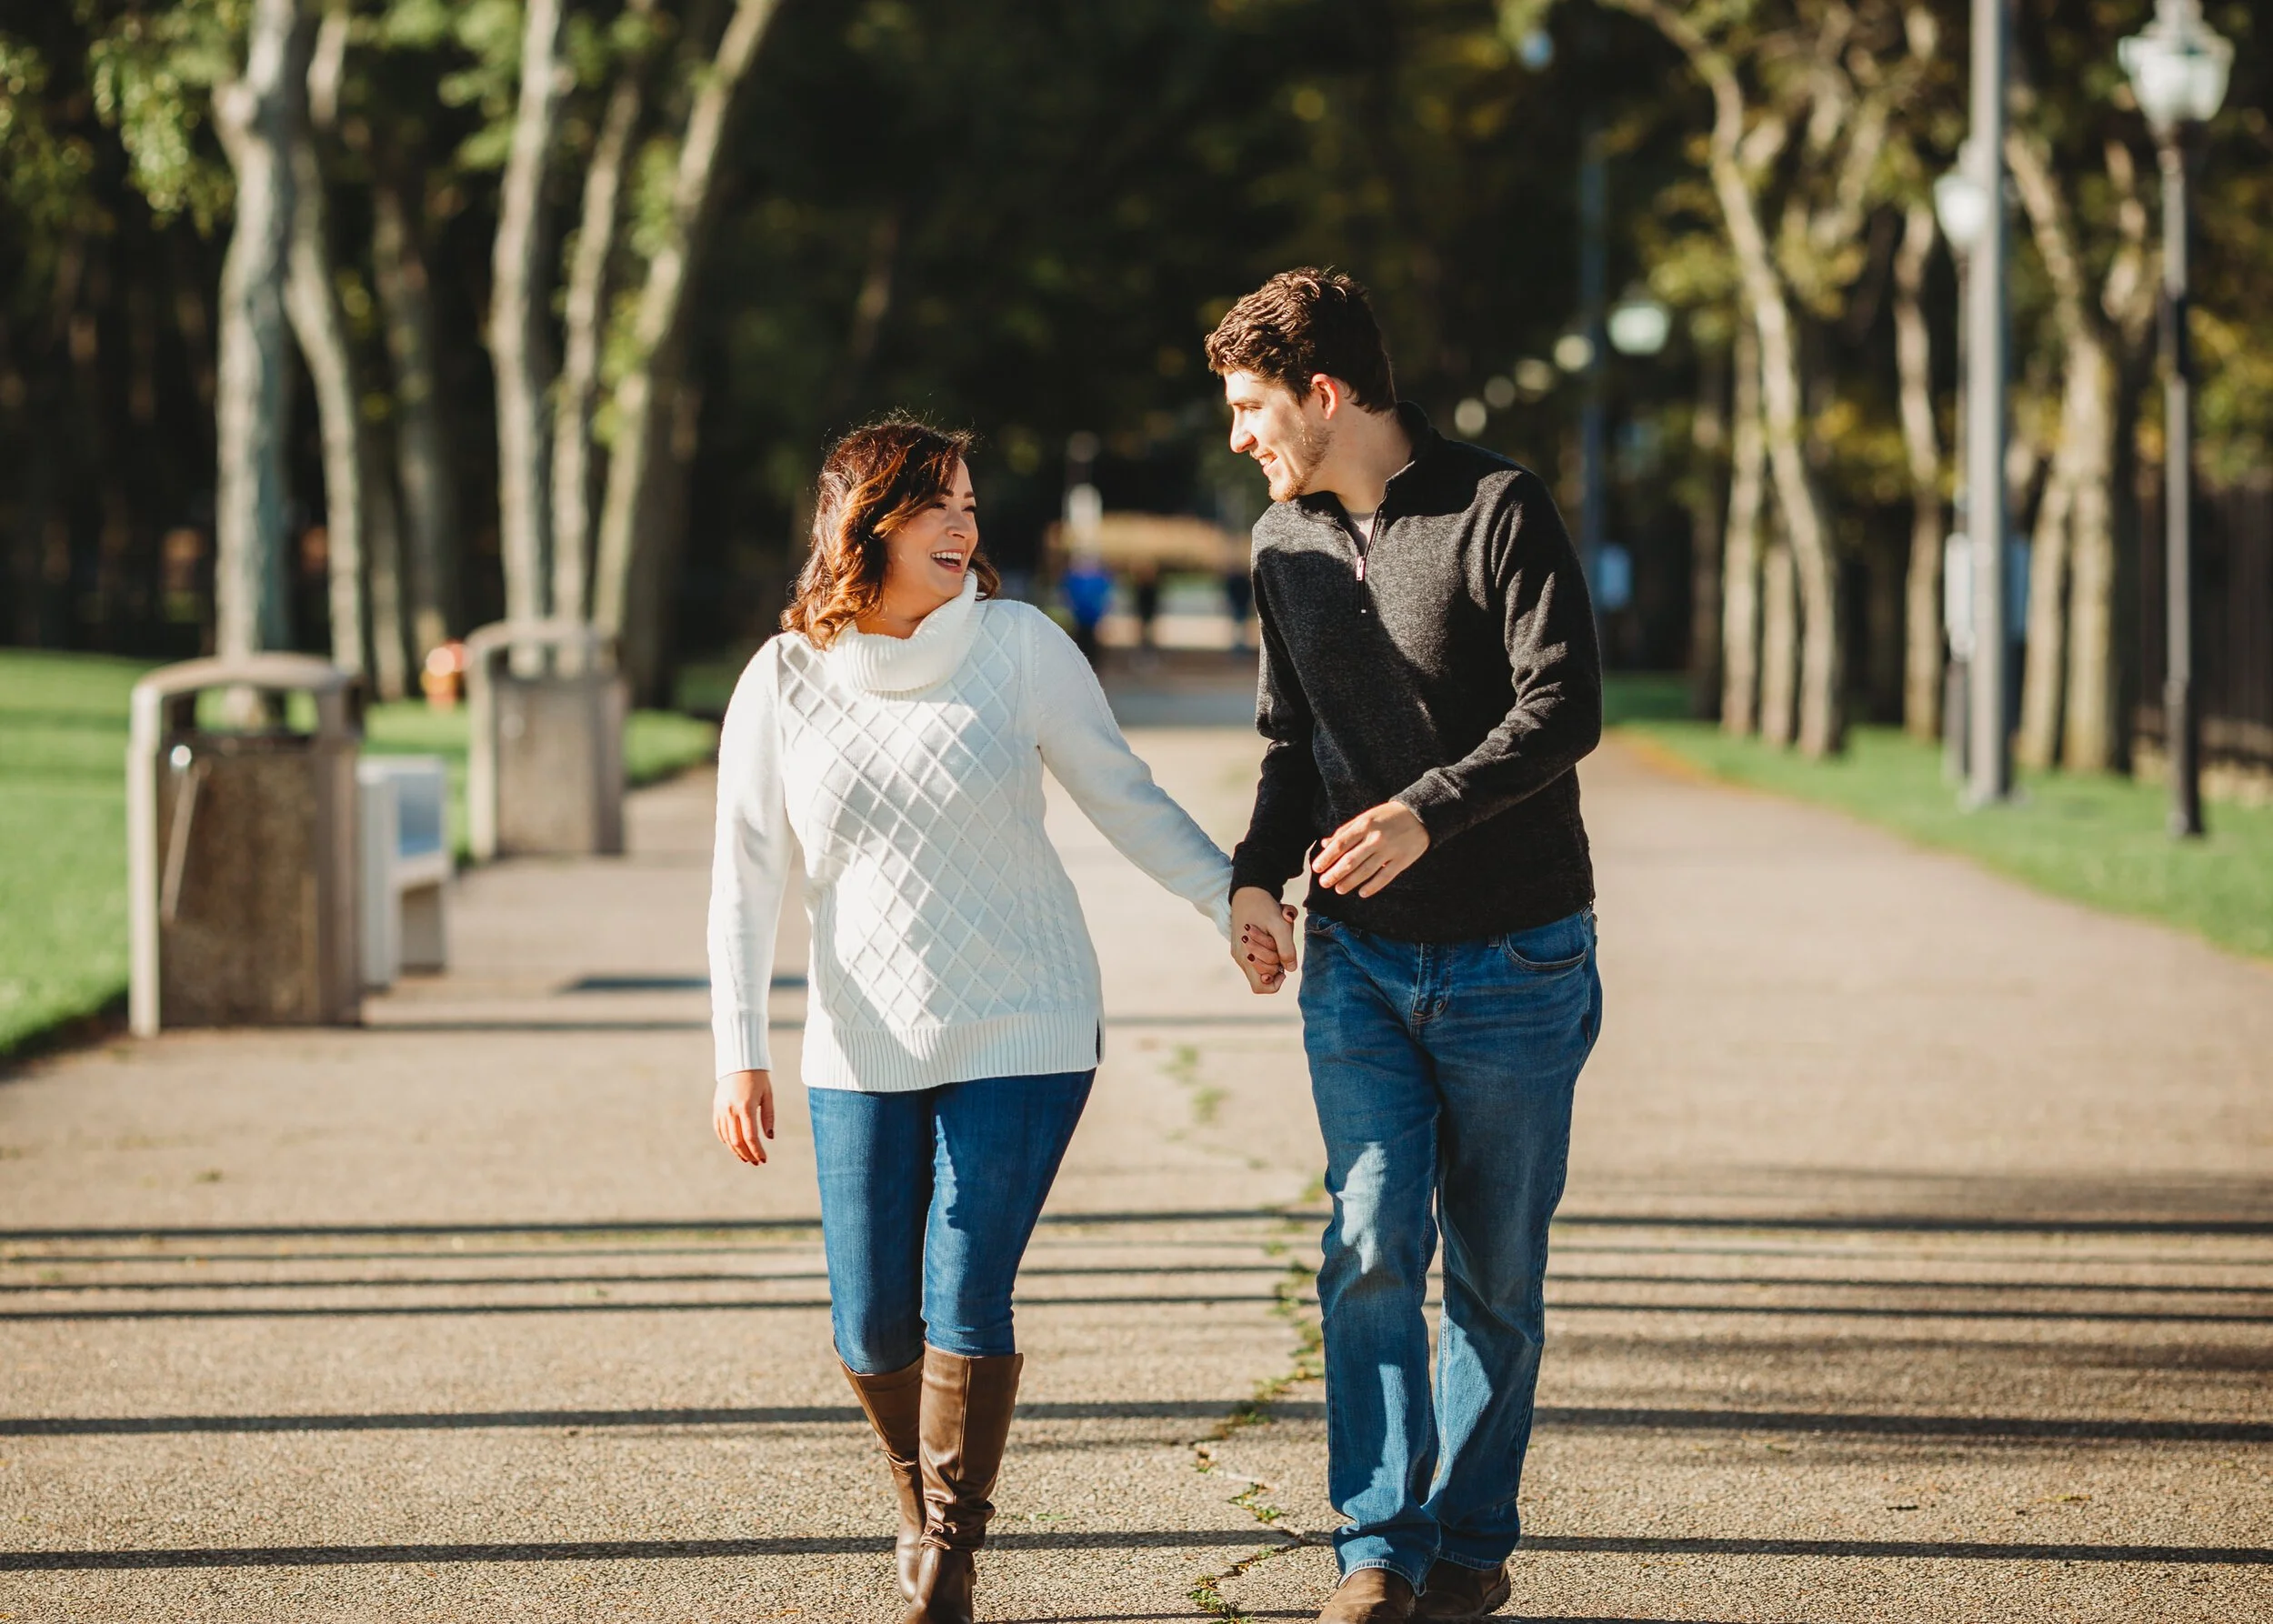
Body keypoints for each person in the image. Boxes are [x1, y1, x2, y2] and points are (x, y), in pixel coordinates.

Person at [707, 418, 1265, 1624]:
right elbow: (744, 877)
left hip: (1026, 1023)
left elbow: (1123, 793)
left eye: (968, 503)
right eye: (935, 505)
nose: (963, 524)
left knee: (965, 1289)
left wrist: (1229, 897)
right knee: (870, 1318)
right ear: (866, 526)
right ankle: (921, 1505)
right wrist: (737, 1050)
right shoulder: (784, 678)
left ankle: (950, 1551)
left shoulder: (1019, 647)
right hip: (860, 1040)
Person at [1207, 270, 1605, 1624]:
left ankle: (1471, 1543)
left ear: (1324, 395)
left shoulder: (1499, 508)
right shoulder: (1282, 544)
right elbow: (1289, 742)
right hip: (1361, 963)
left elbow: (1565, 705)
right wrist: (1255, 879)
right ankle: (1376, 1545)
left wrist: (1428, 811)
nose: (1239, 436)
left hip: (1519, 956)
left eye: (1253, 407)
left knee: (1495, 1270)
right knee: (1371, 1237)